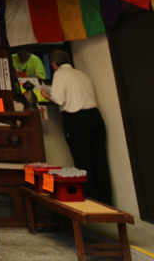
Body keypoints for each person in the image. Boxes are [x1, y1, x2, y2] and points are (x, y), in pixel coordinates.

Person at [41, 50, 112, 205]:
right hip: (95, 117)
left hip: (77, 119)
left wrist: (47, 95)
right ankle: (106, 201)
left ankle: (90, 201)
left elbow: (59, 99)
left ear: (54, 64)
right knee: (99, 160)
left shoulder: (60, 74)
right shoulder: (81, 74)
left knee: (83, 161)